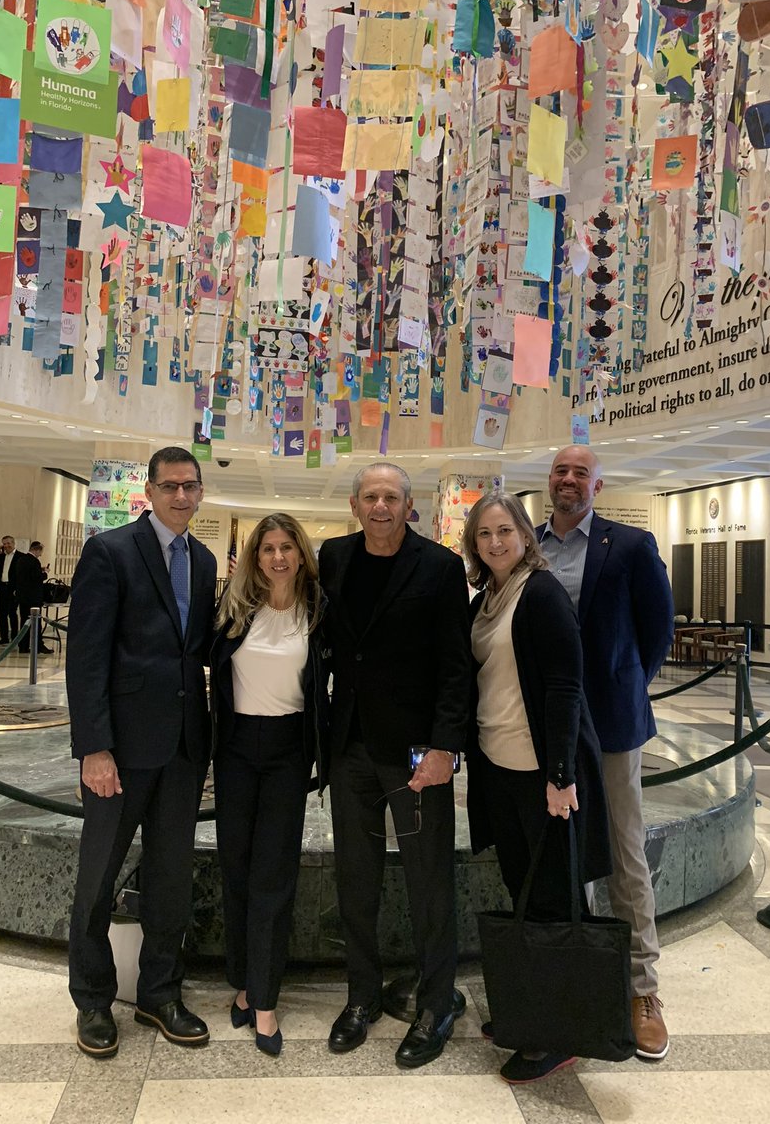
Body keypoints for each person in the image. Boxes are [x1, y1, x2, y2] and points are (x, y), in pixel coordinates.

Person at [318, 462, 471, 1069]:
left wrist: (444, 746)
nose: (380, 506)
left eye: (392, 497)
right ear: (355, 505)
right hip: (350, 745)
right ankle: (362, 996)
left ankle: (437, 1002)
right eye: (370, 496)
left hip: (415, 753)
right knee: (356, 878)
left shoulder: (439, 567)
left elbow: (456, 666)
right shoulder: (333, 557)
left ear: (410, 506)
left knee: (427, 877)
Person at [66, 446, 217, 1060]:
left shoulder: (204, 561)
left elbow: (200, 650)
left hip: (183, 747)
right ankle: (94, 999)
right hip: (121, 751)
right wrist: (94, 747)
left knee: (170, 877)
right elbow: (86, 657)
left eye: (191, 486)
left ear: (201, 493)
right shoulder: (110, 552)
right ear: (148, 492)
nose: (181, 496)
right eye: (170, 486)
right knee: (98, 877)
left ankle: (159, 991)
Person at [461, 491, 611, 1085]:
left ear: (526, 534)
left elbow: (564, 686)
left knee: (553, 900)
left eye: (505, 531)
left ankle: (559, 1032)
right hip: (500, 769)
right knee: (524, 892)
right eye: (484, 535)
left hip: (541, 775)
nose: (495, 542)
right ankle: (533, 1010)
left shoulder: (542, 592)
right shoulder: (489, 597)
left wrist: (559, 776)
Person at [536, 446, 674, 1060]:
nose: (569, 480)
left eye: (579, 472)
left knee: (624, 852)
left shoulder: (631, 546)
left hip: (612, 724)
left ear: (597, 483)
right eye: (560, 471)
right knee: (567, 852)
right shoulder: (530, 544)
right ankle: (584, 976)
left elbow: (657, 631)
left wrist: (621, 687)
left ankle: (642, 988)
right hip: (547, 727)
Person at [212, 513, 328, 1058]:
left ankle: (264, 1000)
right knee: (235, 867)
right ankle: (243, 979)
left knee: (272, 875)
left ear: (301, 555)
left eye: (287, 548)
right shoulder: (235, 611)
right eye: (267, 549)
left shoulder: (318, 613)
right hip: (236, 750)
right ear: (255, 558)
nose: (277, 557)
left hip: (287, 752)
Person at [14, 541, 51, 654]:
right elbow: (36, 578)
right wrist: (45, 574)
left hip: (22, 597)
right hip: (33, 598)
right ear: (37, 550)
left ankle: (23, 646)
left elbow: (25, 576)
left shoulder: (21, 560)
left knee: (24, 622)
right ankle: (39, 646)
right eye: (40, 552)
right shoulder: (34, 561)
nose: (40, 554)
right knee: (36, 623)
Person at [0, 536, 22, 646]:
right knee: (2, 614)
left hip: (13, 588)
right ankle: (4, 638)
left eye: (8, 543)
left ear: (13, 543)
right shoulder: (0, 557)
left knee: (12, 613)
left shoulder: (20, 556)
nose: (6, 546)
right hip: (2, 587)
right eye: (4, 544)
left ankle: (15, 637)